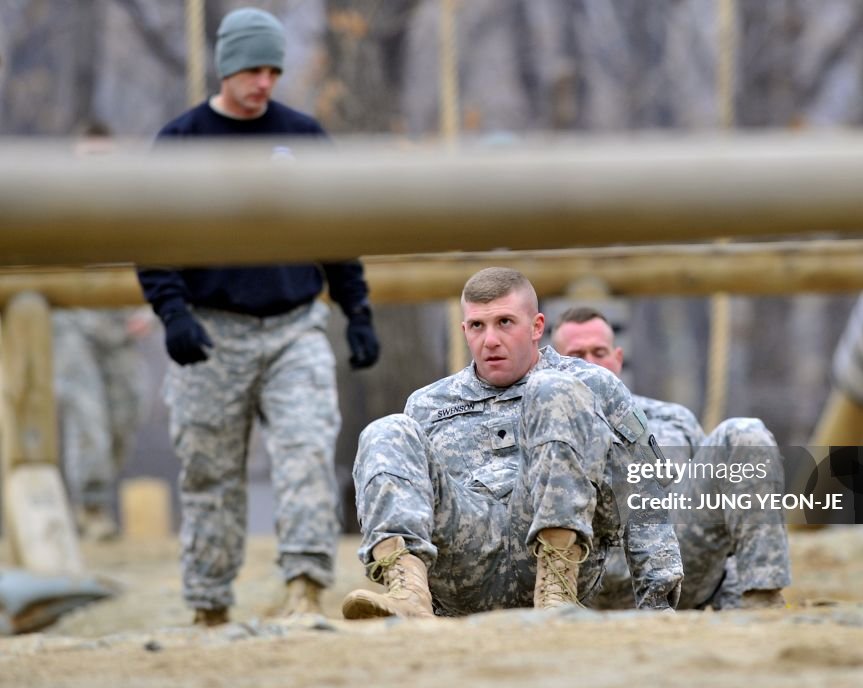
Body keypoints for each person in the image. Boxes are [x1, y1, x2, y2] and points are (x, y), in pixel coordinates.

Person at [136, 7, 379, 627]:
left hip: (294, 324)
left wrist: (356, 310)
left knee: (305, 452)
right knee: (209, 471)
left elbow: (337, 229)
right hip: (212, 327)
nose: (264, 82)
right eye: (252, 69)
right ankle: (210, 603)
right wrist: (173, 314)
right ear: (226, 68)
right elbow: (150, 236)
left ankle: (304, 586)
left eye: (274, 69)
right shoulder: (181, 141)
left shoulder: (301, 136)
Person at [340, 268, 683, 619]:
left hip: (553, 558)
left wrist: (658, 600)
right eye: (477, 326)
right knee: (386, 429)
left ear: (536, 327)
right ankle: (408, 593)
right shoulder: (429, 403)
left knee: (554, 389)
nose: (490, 340)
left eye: (505, 322)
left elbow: (644, 487)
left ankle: (555, 591)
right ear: (464, 331)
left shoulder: (592, 384)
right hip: (464, 562)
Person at [551, 306, 790, 609]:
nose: (592, 365)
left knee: (745, 432)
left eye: (599, 352)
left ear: (618, 358)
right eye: (577, 356)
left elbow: (713, 517)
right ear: (554, 368)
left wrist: (733, 605)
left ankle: (763, 601)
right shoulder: (537, 431)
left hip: (675, 577)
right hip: (579, 586)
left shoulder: (673, 420)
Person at [53, 121, 150, 541]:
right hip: (71, 324)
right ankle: (90, 507)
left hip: (119, 326)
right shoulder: (54, 204)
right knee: (87, 416)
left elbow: (154, 260)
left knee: (128, 411)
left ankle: (89, 496)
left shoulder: (130, 207)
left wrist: (150, 309)